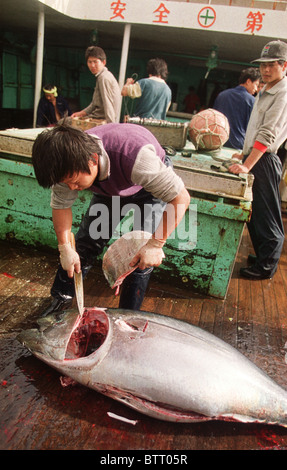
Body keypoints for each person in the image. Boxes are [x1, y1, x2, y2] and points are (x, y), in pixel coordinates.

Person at [32, 122, 190, 316]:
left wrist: (156, 244)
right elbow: (61, 206)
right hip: (109, 188)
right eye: (66, 183)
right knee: (84, 244)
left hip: (147, 189)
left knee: (141, 255)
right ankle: (60, 300)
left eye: (74, 182)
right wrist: (64, 248)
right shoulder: (65, 165)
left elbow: (181, 197)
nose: (71, 188)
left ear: (92, 160)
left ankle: (128, 315)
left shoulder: (136, 158)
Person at [228, 40, 287, 280]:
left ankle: (267, 265)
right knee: (254, 212)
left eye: (271, 65)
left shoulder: (282, 93)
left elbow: (268, 134)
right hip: (256, 157)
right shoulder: (267, 89)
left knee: (266, 214)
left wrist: (246, 164)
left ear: (284, 65)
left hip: (265, 159)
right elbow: (255, 129)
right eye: (263, 65)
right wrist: (242, 154)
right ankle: (264, 254)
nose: (265, 70)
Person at [213, 68, 260, 149]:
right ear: (248, 81)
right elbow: (252, 128)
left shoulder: (222, 95)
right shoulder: (252, 101)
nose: (256, 89)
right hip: (238, 146)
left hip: (218, 143)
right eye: (256, 85)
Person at [71, 46, 121, 123]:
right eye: (89, 62)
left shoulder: (104, 77)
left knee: (64, 122)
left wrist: (111, 126)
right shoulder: (101, 76)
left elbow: (108, 104)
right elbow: (94, 104)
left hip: (101, 119)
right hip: (96, 116)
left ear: (103, 62)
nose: (92, 65)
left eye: (95, 62)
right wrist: (81, 113)